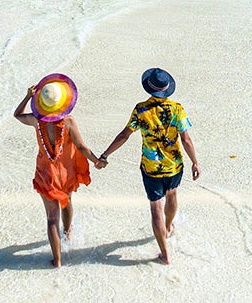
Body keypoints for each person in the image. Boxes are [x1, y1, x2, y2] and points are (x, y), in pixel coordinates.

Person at [99, 68, 201, 265]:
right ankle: (169, 226)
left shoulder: (141, 109)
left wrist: (105, 155)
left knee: (156, 208)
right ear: (167, 89)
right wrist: (195, 162)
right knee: (172, 194)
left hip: (151, 167)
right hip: (174, 165)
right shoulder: (177, 108)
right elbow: (186, 139)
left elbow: (123, 136)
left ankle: (165, 254)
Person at [12, 74, 105, 267]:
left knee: (51, 218)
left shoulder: (37, 121)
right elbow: (81, 147)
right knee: (68, 201)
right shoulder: (69, 122)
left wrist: (27, 97)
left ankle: (58, 260)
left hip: (46, 173)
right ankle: (68, 234)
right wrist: (96, 161)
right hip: (66, 173)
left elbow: (17, 115)